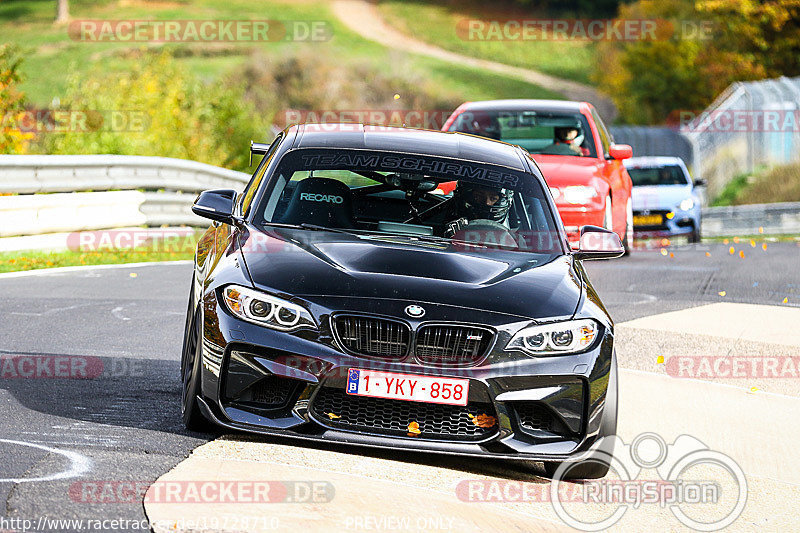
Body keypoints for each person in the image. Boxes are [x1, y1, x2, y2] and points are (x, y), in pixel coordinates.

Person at [444, 182, 513, 236]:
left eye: (493, 198)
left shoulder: (515, 234)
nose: (487, 203)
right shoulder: (442, 221)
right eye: (479, 196)